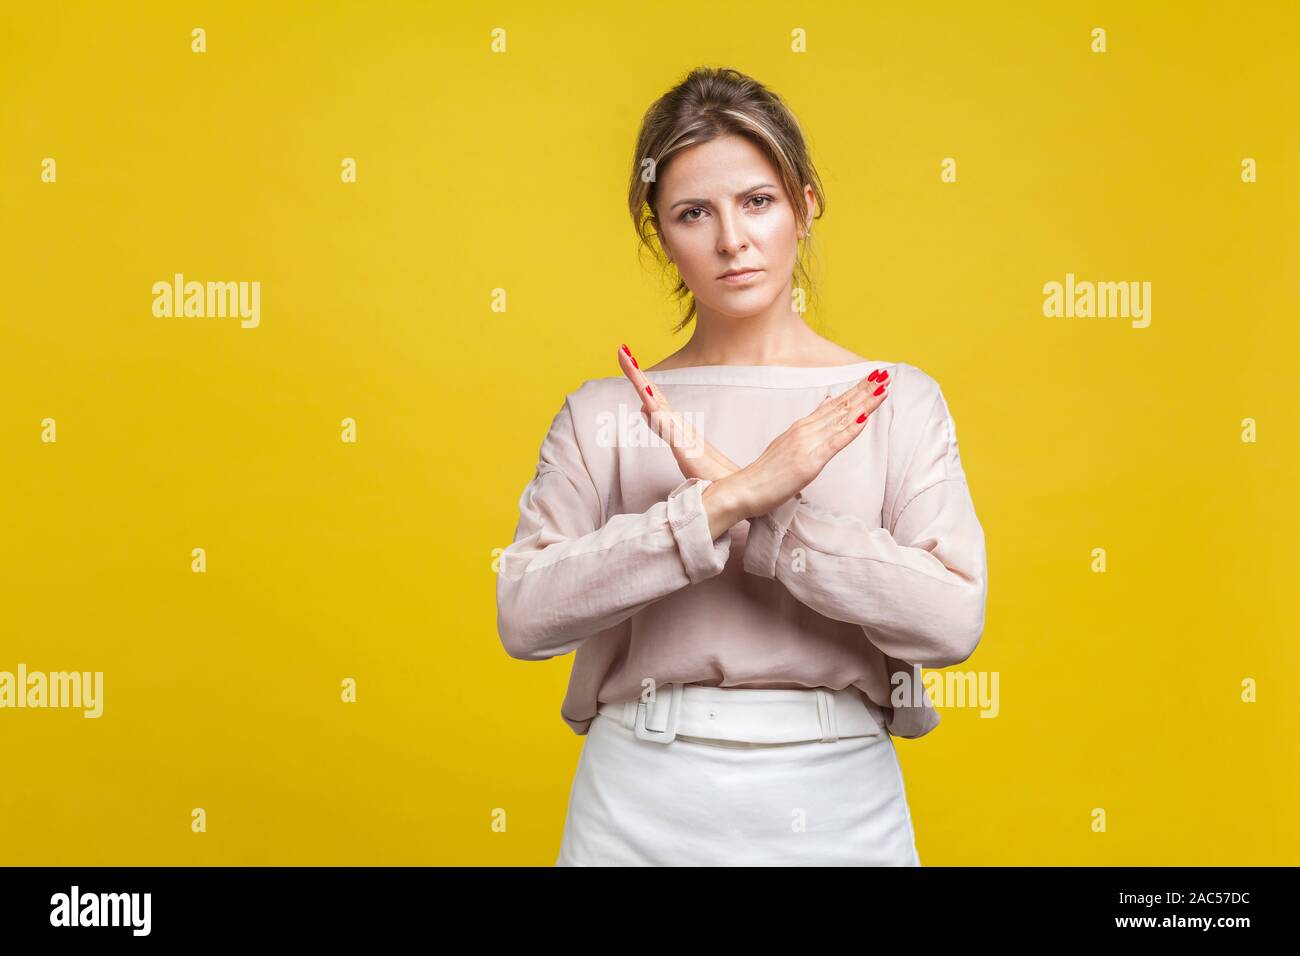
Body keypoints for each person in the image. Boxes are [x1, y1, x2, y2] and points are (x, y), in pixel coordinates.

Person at [495, 66, 988, 866]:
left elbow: (950, 623)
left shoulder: (892, 401)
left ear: (806, 204)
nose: (732, 240)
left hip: (840, 802)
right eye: (695, 213)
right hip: (637, 799)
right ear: (659, 233)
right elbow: (525, 614)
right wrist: (728, 499)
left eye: (758, 201)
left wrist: (759, 514)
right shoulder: (605, 412)